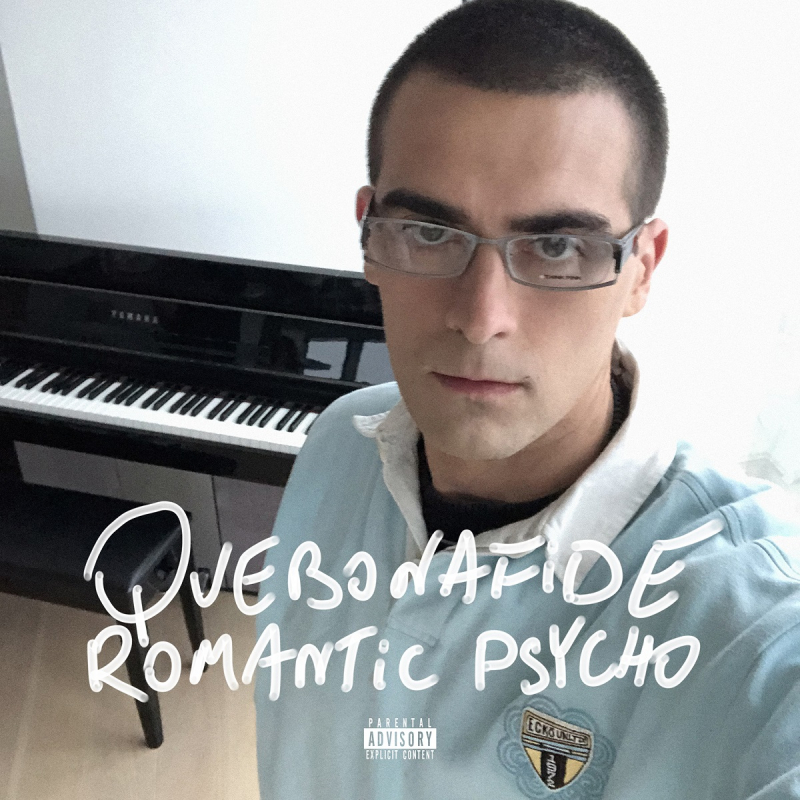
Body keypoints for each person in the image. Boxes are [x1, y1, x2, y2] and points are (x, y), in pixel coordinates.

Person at [254, 1, 800, 798]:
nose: (482, 319)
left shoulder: (745, 623)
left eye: (557, 246)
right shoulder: (339, 441)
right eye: (429, 233)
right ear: (369, 235)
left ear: (642, 269)